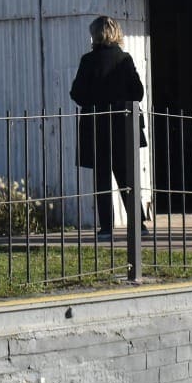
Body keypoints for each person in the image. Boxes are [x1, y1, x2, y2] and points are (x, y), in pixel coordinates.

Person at [70, 15, 146, 237]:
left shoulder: (88, 61)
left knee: (102, 178)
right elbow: (138, 92)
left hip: (97, 125)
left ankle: (106, 227)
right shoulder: (125, 59)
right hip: (123, 124)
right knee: (126, 177)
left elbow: (77, 93)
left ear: (95, 35)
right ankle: (139, 224)